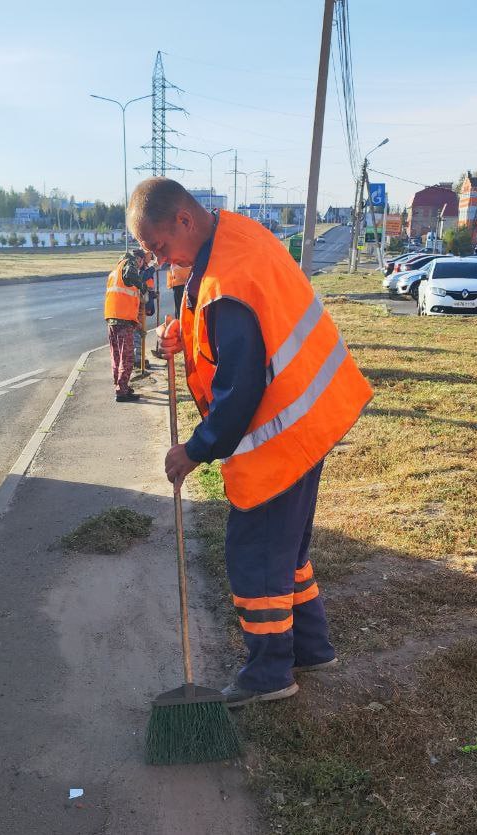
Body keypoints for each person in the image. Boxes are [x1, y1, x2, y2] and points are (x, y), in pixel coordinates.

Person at [127, 177, 373, 707]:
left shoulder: (227, 282)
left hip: (281, 436)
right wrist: (181, 336)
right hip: (312, 417)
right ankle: (311, 647)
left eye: (160, 247)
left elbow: (239, 389)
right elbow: (223, 327)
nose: (158, 259)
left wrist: (193, 451)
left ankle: (269, 674)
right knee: (287, 552)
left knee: (255, 556)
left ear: (184, 221)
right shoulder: (235, 234)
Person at [103, 251, 146, 403]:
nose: (141, 266)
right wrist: (143, 286)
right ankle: (122, 391)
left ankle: (120, 386)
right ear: (138, 259)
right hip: (123, 321)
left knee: (116, 356)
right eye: (142, 262)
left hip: (112, 318)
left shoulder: (115, 270)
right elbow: (131, 275)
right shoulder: (129, 264)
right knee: (127, 357)